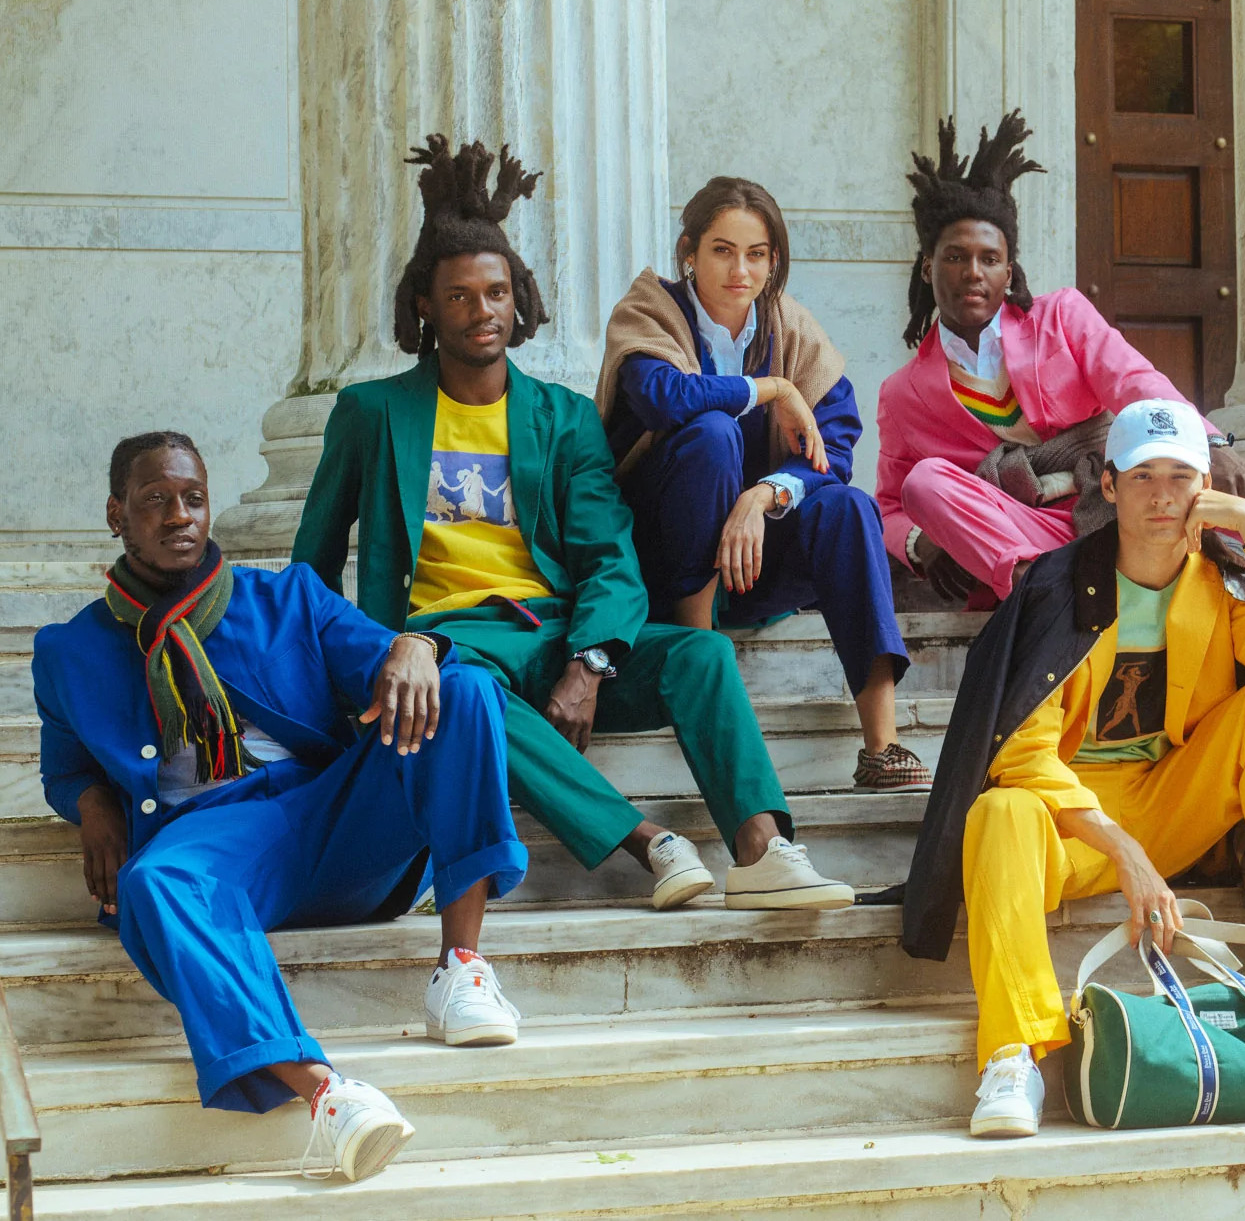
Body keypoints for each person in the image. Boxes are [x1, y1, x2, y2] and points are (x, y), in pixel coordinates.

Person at [294, 136, 851, 913]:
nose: (480, 311)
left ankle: (759, 849)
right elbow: (310, 567)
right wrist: (343, 670)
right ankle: (648, 840)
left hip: (554, 632)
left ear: (517, 297)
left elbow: (609, 556)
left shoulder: (560, 418)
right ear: (425, 305)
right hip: (444, 643)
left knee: (696, 654)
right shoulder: (370, 414)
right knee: (465, 697)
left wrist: (587, 663)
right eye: (458, 296)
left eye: (494, 293)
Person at [34, 432, 529, 1181]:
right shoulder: (69, 650)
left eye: (192, 499)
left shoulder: (287, 596)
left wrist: (417, 644)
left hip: (329, 818)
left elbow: (390, 660)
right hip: (212, 843)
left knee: (463, 692)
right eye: (155, 501)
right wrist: (92, 802)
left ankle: (460, 965)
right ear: (117, 515)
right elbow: (64, 765)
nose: (179, 516)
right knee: (154, 882)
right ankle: (328, 1095)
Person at [899, 399, 1245, 1139]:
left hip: (1174, 799)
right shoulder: (1054, 584)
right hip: (1073, 826)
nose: (1162, 495)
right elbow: (1018, 752)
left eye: (1180, 477)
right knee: (999, 811)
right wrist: (1121, 848)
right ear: (1107, 487)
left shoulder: (1225, 575)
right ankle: (1013, 1054)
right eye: (1143, 476)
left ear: (1202, 487)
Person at [597, 176, 927, 791]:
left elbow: (836, 443)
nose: (738, 271)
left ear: (774, 261)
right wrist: (772, 389)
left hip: (750, 563)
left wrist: (764, 495)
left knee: (850, 508)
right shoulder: (650, 311)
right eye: (722, 250)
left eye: (756, 254)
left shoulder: (790, 328)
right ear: (688, 252)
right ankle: (701, 660)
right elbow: (666, 399)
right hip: (662, 563)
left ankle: (882, 745)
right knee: (712, 434)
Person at [874, 111, 1245, 606]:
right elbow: (892, 503)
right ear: (927, 266)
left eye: (989, 259)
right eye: (955, 257)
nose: (972, 273)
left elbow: (1136, 383)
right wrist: (922, 541)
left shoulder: (1061, 316)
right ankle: (1044, 596)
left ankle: (1240, 595)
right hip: (1026, 535)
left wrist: (1211, 443)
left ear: (1009, 271)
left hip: (1115, 507)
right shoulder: (902, 394)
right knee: (926, 483)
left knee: (1244, 496)